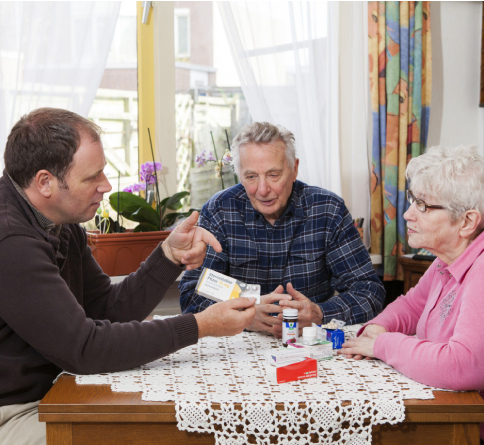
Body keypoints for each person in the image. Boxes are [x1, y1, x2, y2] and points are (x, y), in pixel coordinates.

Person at [0, 108, 256, 445]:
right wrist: (199, 325)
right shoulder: (11, 242)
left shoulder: (59, 222)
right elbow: (85, 348)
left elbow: (106, 308)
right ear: (45, 182)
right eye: (92, 177)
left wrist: (168, 255)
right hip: (15, 410)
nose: (105, 186)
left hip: (60, 392)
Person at [179, 122, 385, 337]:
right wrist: (245, 315)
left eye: (273, 175)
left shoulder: (327, 210)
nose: (262, 190)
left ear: (294, 169)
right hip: (239, 346)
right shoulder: (219, 210)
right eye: (251, 177)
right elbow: (192, 295)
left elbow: (369, 292)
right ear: (239, 174)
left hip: (309, 343)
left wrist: (319, 313)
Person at [340, 146, 484, 424]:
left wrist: (384, 344)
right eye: (412, 200)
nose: (407, 215)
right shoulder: (447, 259)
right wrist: (378, 329)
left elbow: (463, 365)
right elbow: (411, 305)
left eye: (424, 206)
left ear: (467, 222)